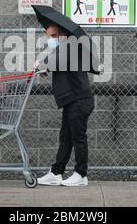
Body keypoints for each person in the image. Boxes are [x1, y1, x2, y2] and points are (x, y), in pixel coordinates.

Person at [35, 23, 97, 187]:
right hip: (71, 102)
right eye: (48, 36)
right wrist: (44, 67)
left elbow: (55, 61)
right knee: (65, 138)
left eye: (54, 36)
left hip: (80, 101)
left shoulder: (72, 47)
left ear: (63, 34)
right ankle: (56, 172)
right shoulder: (63, 50)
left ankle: (81, 174)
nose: (51, 40)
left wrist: (42, 65)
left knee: (78, 138)